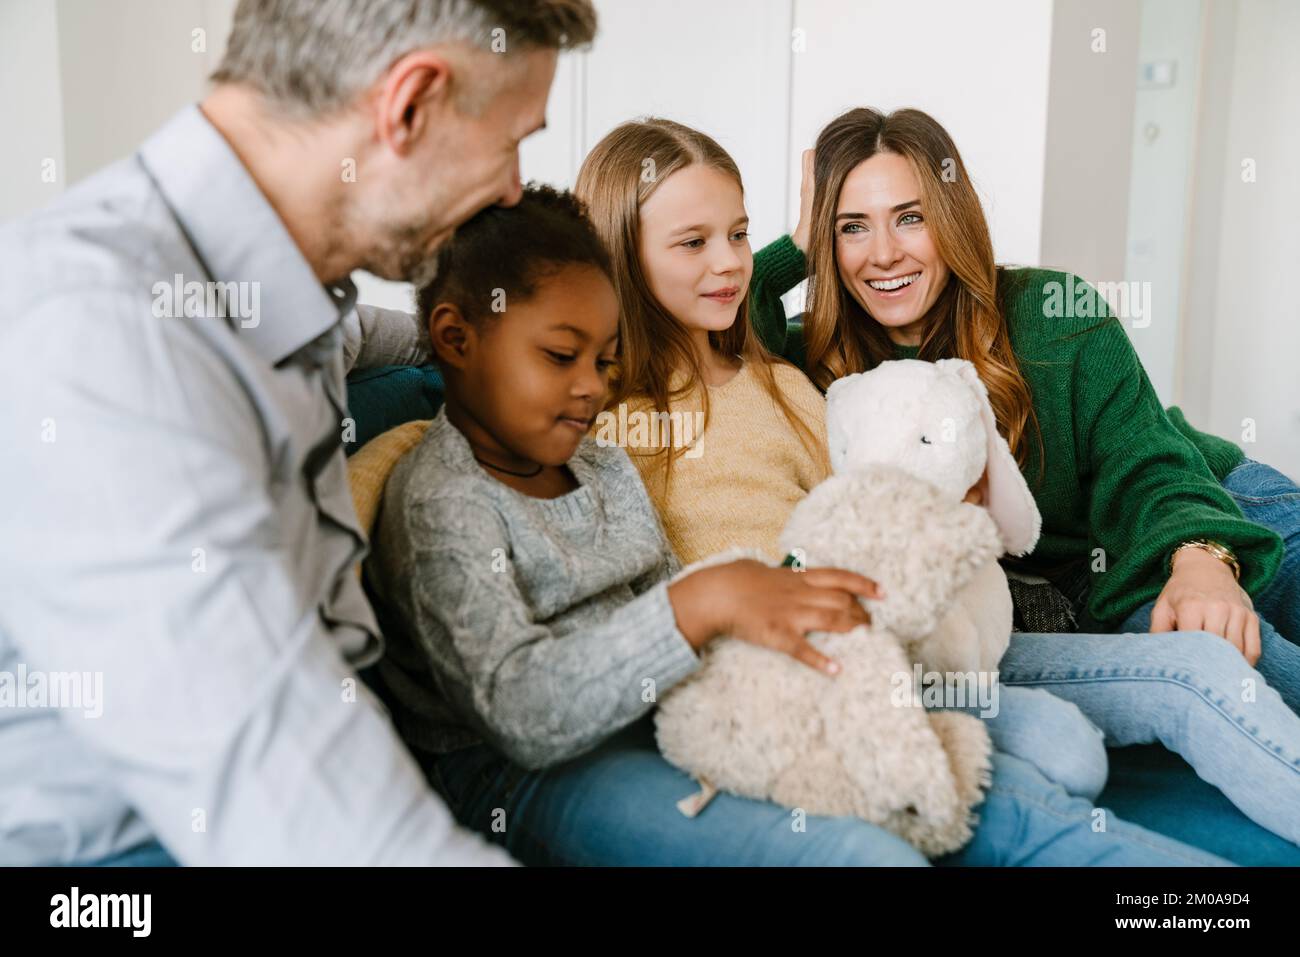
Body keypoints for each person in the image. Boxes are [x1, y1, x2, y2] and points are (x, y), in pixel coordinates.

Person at [358, 183, 1228, 866]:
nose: (588, 384)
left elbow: (673, 594)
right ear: (454, 338)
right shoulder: (444, 502)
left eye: (604, 357)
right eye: (561, 356)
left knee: (1003, 796)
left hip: (685, 706)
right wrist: (700, 607)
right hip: (538, 772)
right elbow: (522, 711)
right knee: (868, 850)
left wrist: (769, 627)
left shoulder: (600, 457)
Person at [0, 0, 600, 866]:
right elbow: (310, 823)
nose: (513, 187)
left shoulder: (292, 291)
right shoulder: (99, 333)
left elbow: (407, 341)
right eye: (512, 140)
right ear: (410, 104)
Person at [744, 106, 1300, 844]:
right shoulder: (818, 364)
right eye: (851, 226)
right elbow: (717, 315)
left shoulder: (1049, 312)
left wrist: (1202, 557)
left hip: (1214, 505)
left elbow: (1151, 464)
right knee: (1252, 670)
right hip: (1099, 582)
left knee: (1259, 648)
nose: (881, 253)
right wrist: (799, 234)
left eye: (909, 217)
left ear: (952, 216)